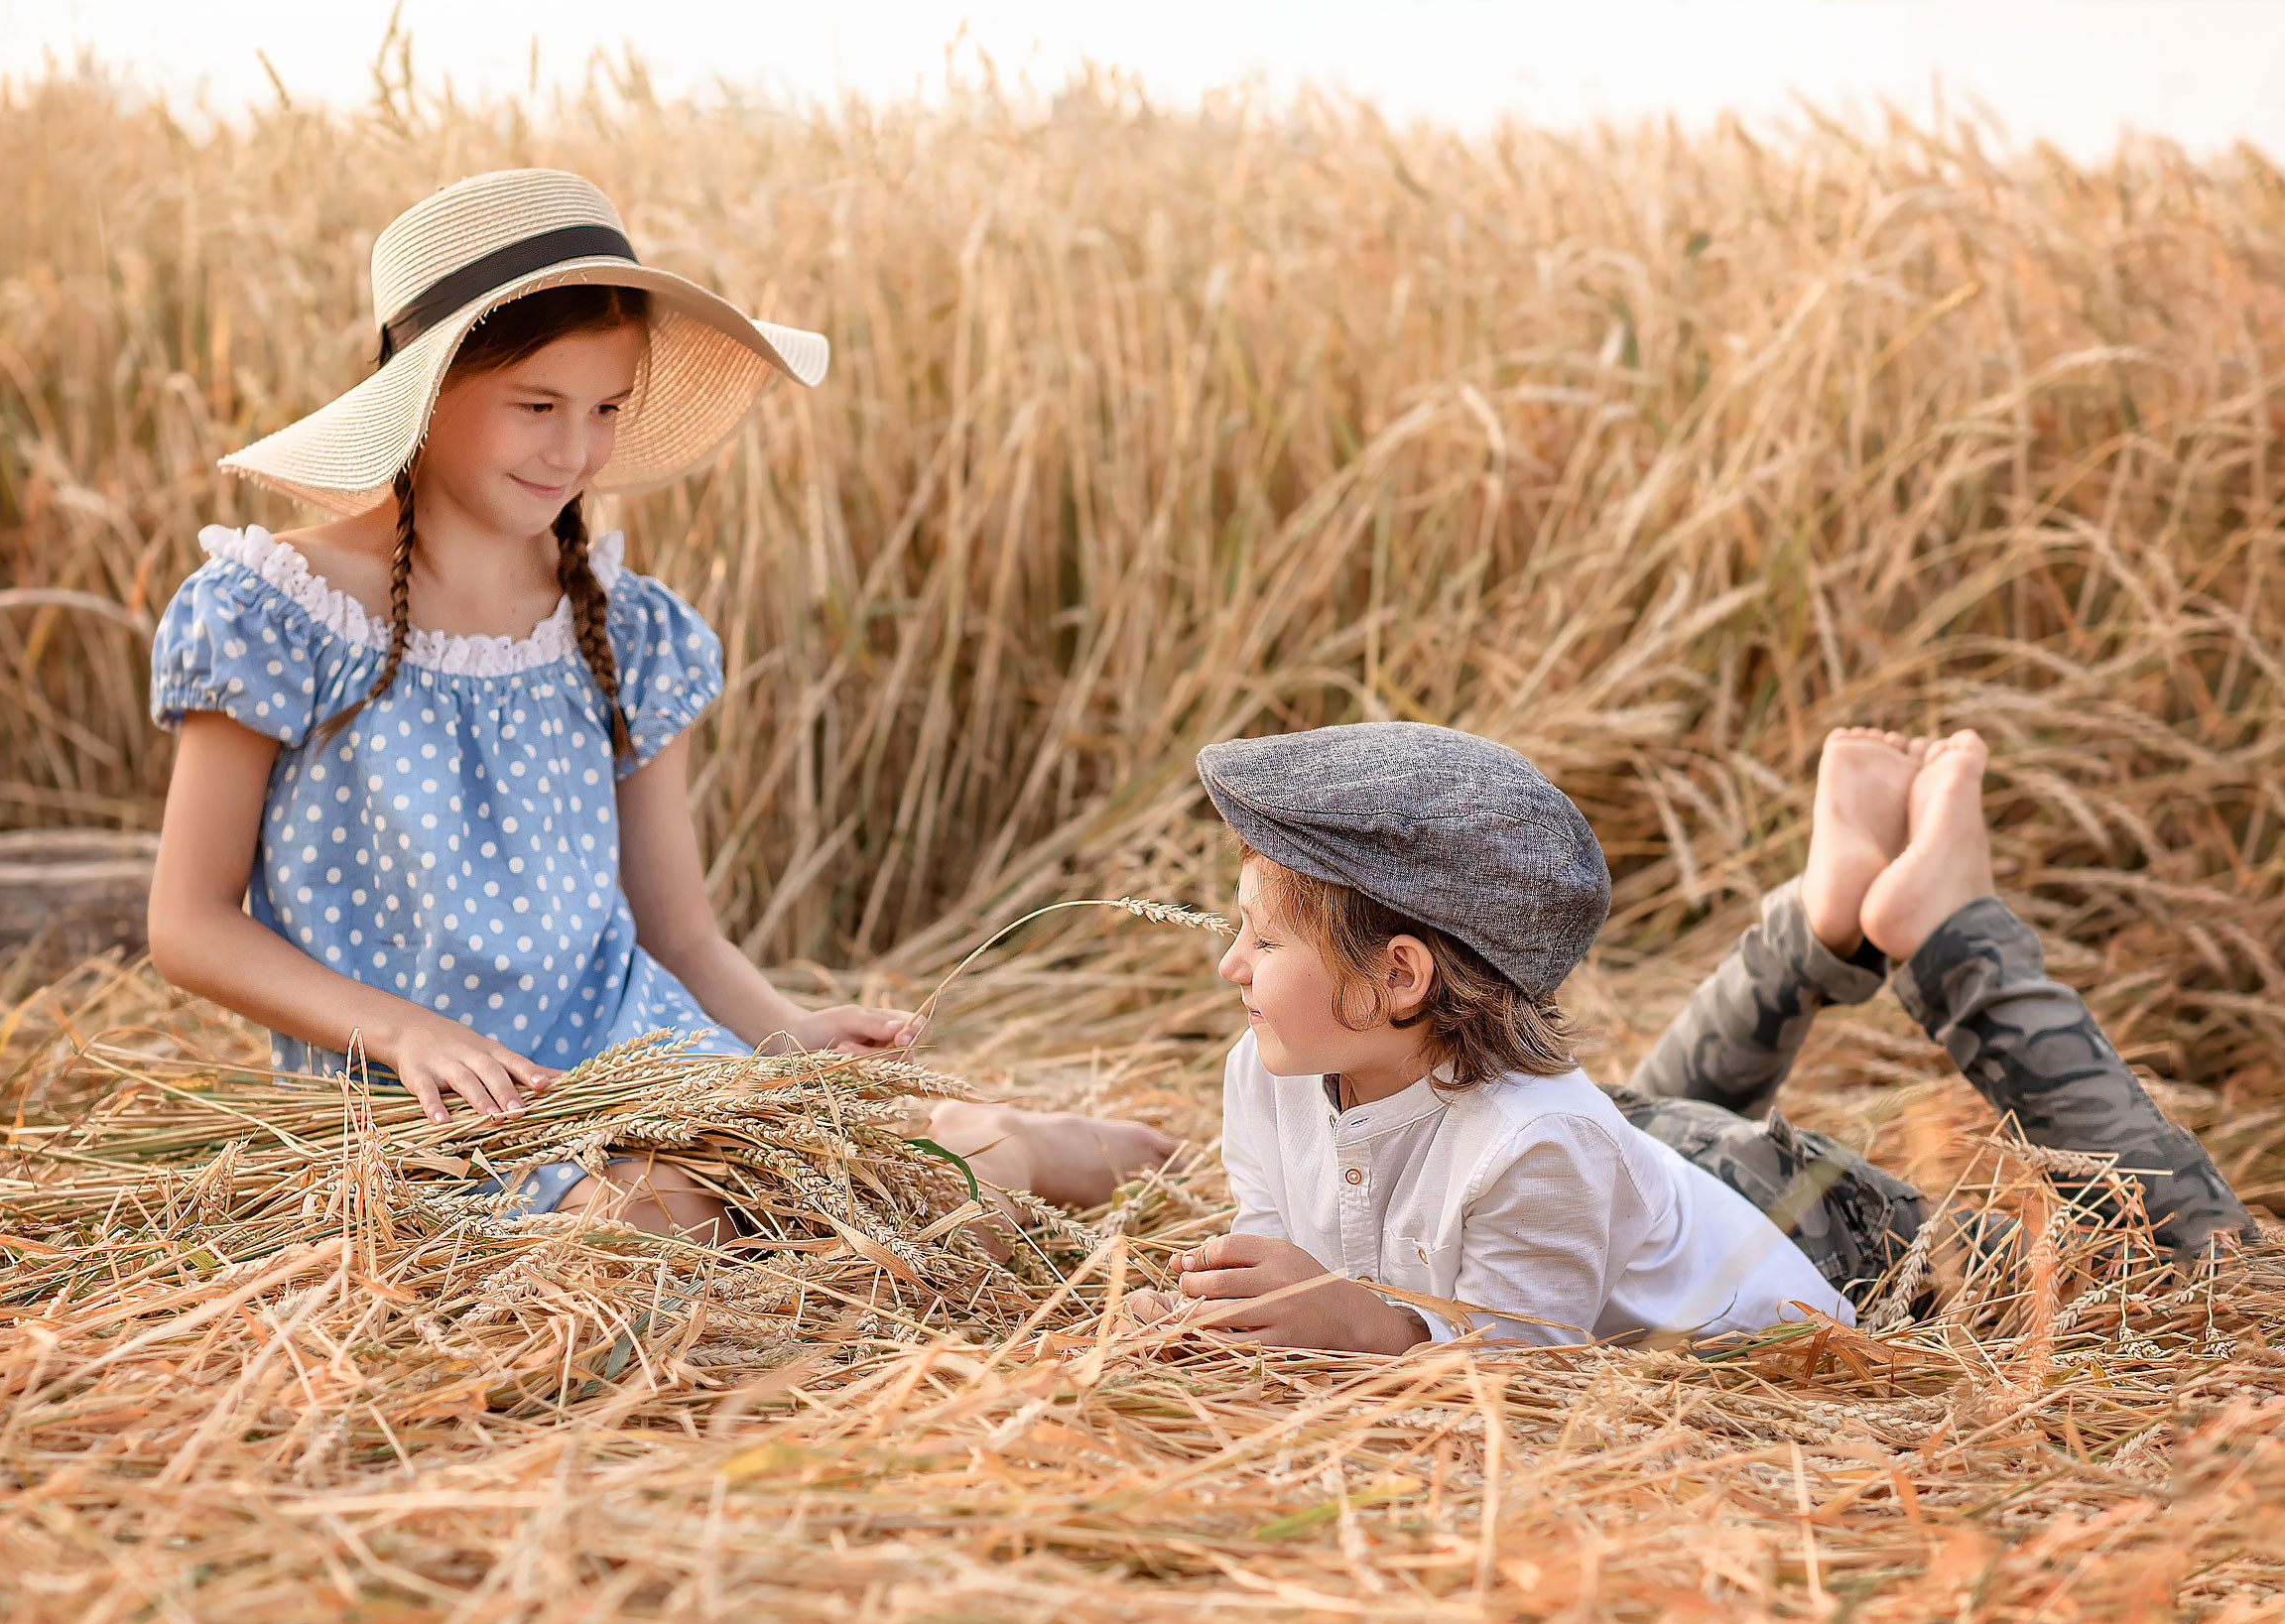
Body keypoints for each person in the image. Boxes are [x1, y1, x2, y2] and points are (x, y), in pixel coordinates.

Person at [148, 169, 1171, 1236]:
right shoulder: (276, 612)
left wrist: (786, 1036)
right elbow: (188, 924)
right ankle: (971, 1151)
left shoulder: (621, 630)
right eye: (536, 407)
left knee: (864, 1176)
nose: (576, 452)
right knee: (647, 1231)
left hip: (635, 1059)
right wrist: (403, 1031)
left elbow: (678, 935)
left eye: (605, 410)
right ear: (425, 387)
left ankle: (1020, 1144)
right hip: (409, 1103)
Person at [1130, 722, 2251, 1352]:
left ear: (1402, 978)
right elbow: (1285, 1242)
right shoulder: (1306, 1067)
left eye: (1260, 944)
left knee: (2221, 1283)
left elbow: (1519, 1388)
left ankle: (1948, 931)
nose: (1228, 967)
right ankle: (1819, 921)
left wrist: (1365, 1333)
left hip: (1816, 1247)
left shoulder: (1535, 1146)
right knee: (1625, 1148)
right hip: (1607, 1179)